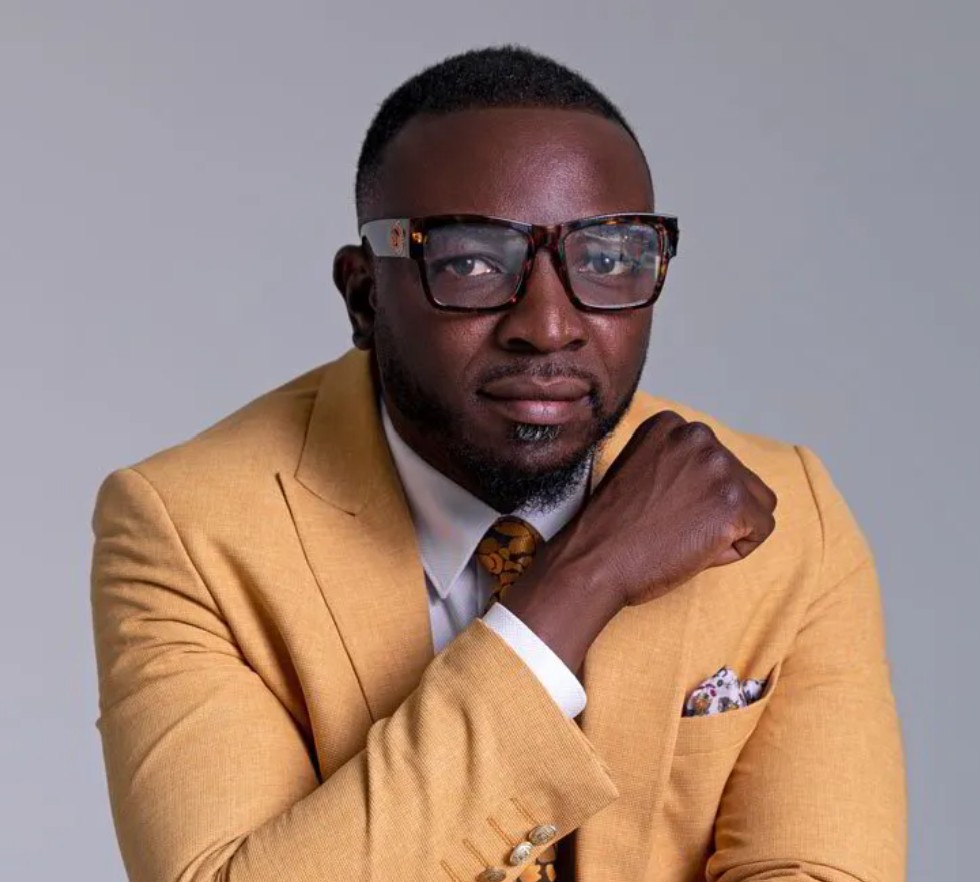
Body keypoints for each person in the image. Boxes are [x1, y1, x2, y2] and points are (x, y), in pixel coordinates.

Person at [90, 46, 906, 882]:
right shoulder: (188, 530)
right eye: (472, 264)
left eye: (608, 259)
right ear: (365, 295)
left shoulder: (784, 511)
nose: (549, 327)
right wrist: (582, 582)